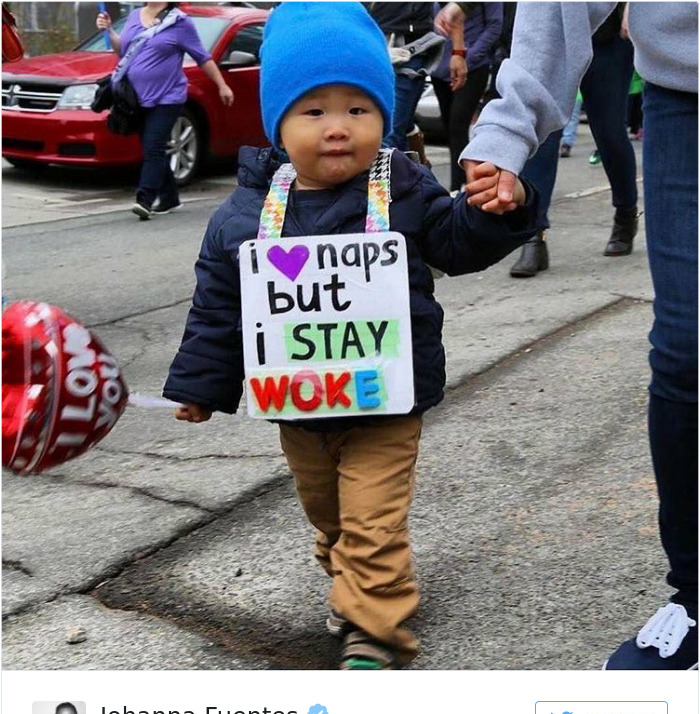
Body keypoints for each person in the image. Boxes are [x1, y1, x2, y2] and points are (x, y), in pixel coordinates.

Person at [163, 1, 537, 670]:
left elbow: (455, 243)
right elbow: (220, 306)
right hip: (301, 406)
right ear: (277, 121)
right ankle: (357, 577)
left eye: (358, 110)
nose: (338, 128)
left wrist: (500, 214)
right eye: (314, 111)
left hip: (386, 401)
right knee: (330, 515)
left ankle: (376, 628)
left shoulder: (405, 189)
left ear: (384, 118)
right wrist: (200, 385)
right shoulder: (245, 212)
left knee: (371, 518)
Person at [455, 1, 697, 670]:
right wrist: (510, 128)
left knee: (615, 141)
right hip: (687, 95)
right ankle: (695, 596)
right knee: (688, 349)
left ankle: (621, 211)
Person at [507, 6, 638, 278]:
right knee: (542, 134)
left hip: (608, 38)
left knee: (609, 134)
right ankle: (534, 235)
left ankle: (626, 213)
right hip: (555, 38)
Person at [96, 2, 234, 220]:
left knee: (153, 146)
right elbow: (123, 50)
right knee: (153, 149)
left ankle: (145, 199)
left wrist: (222, 85)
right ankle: (170, 196)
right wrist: (109, 30)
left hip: (168, 97)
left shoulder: (180, 22)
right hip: (135, 98)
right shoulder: (134, 17)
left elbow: (202, 57)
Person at [432, 3, 503, 192]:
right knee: (449, 128)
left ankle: (460, 186)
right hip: (440, 67)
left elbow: (495, 26)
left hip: (473, 66)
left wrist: (468, 56)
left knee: (458, 125)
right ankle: (461, 184)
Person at [366, 3, 445, 151]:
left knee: (388, 137)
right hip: (371, 39)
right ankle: (412, 168)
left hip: (406, 47)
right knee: (395, 132)